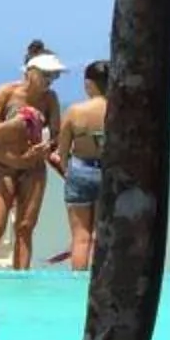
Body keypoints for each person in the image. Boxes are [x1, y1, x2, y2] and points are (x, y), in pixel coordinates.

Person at [0, 47, 63, 269]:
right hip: (3, 167)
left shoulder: (50, 98)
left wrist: (47, 146)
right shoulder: (6, 92)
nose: (49, 80)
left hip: (33, 169)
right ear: (30, 72)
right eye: (45, 74)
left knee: (25, 228)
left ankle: (21, 281)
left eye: (54, 75)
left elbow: (57, 134)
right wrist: (11, 125)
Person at [55, 59, 110, 271]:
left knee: (80, 237)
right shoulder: (118, 110)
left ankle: (76, 283)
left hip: (79, 171)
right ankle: (98, 282)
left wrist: (68, 172)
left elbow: (62, 152)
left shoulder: (75, 111)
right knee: (99, 236)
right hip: (107, 172)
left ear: (89, 84)